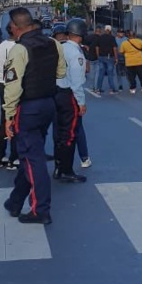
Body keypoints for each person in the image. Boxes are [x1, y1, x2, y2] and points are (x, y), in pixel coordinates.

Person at [2, 7, 67, 225]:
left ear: (14, 26)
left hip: (27, 108)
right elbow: (61, 73)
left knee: (33, 158)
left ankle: (40, 210)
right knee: (29, 155)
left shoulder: (19, 50)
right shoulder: (53, 43)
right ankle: (15, 201)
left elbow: (12, 87)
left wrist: (8, 116)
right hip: (49, 104)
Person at [52, 20, 88, 183]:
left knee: (59, 134)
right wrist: (81, 102)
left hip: (55, 93)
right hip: (69, 95)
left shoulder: (61, 47)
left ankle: (59, 167)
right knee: (70, 134)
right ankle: (66, 170)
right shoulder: (76, 53)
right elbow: (77, 81)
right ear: (80, 35)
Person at [0, 25, 19, 169]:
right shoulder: (18, 47)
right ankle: (14, 157)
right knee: (15, 121)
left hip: (2, 84)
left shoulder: (0, 46)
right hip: (14, 85)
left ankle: (0, 156)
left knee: (4, 120)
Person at [96, 25, 118, 94]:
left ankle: (98, 89)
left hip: (101, 57)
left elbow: (97, 47)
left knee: (101, 73)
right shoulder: (112, 38)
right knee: (110, 73)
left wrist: (98, 56)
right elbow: (114, 48)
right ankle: (111, 89)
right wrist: (116, 57)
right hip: (109, 57)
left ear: (105, 30)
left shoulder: (100, 37)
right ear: (110, 30)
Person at [85, 26, 101, 93]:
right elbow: (98, 48)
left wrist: (87, 48)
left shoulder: (90, 37)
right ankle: (96, 87)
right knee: (97, 73)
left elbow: (84, 44)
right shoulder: (100, 38)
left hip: (90, 57)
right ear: (100, 32)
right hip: (97, 57)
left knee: (92, 73)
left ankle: (92, 87)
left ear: (95, 31)